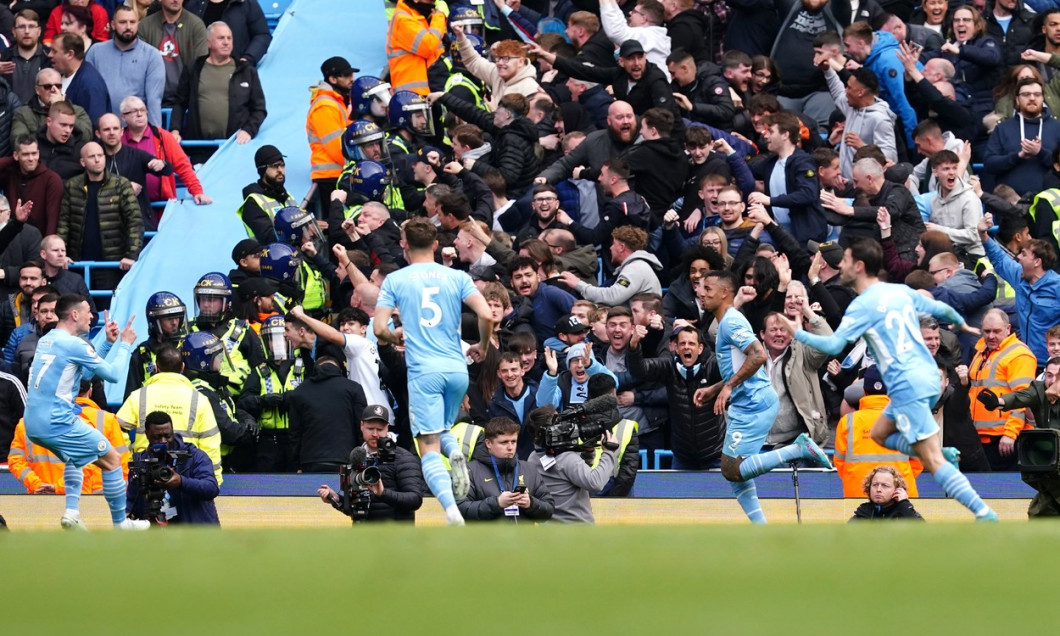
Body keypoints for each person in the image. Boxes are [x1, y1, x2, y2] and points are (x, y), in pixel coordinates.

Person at [787, 238, 998, 520]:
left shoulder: (862, 306)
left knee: (934, 462)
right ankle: (935, 453)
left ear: (859, 266)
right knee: (879, 434)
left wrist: (797, 332)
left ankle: (984, 513)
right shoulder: (898, 290)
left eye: (847, 260)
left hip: (908, 381)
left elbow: (834, 346)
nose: (842, 265)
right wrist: (962, 324)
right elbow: (939, 309)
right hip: (923, 376)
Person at [374, 218, 494, 526]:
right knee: (443, 430)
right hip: (456, 369)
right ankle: (454, 453)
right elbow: (485, 313)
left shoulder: (396, 280)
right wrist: (481, 343)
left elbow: (378, 329)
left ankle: (452, 512)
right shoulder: (456, 277)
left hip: (423, 370)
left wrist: (393, 336)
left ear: (404, 244)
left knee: (426, 445)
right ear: (436, 244)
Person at [695, 271, 832, 523]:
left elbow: (758, 355)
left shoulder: (731, 322)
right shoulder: (728, 320)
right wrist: (715, 388)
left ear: (725, 293)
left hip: (754, 403)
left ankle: (798, 449)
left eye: (707, 288)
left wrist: (728, 388)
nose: (701, 293)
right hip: (749, 401)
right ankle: (761, 528)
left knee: (731, 469)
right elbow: (739, 366)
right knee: (735, 474)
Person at [22, 294, 149, 530]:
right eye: (88, 311)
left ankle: (71, 513)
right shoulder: (74, 344)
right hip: (58, 421)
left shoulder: (47, 340)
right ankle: (121, 524)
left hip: (33, 422)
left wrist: (107, 344)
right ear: (74, 315)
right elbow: (113, 375)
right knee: (112, 460)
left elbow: (85, 377)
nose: (92, 316)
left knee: (75, 457)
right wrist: (124, 344)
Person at [118, 343, 223, 484]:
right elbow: (210, 445)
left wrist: (131, 462)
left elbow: (116, 430)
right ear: (183, 368)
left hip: (147, 474)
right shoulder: (199, 399)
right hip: (187, 477)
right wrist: (212, 481)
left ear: (156, 368)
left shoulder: (138, 396)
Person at [8, 379, 128, 495]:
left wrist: (36, 484)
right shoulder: (104, 421)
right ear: (90, 391)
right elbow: (119, 465)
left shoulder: (25, 423)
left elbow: (16, 461)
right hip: (88, 500)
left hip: (39, 500)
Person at [57, 141, 141, 303]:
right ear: (83, 162)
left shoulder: (121, 184)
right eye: (92, 156)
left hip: (111, 264)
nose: (97, 160)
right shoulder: (73, 185)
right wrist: (63, 254)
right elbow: (64, 222)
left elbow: (135, 221)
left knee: (106, 311)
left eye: (100, 156)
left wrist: (130, 255)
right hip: (77, 263)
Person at [977, 356, 1060, 516]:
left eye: (1058, 376)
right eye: (1049, 375)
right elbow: (1019, 397)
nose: (1052, 380)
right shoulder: (1038, 389)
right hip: (1049, 458)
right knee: (1042, 510)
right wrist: (999, 402)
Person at [316, 405, 426, 523]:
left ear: (387, 428)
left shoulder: (404, 458)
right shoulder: (356, 456)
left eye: (380, 429)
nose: (375, 434)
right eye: (370, 428)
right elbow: (355, 510)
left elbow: (415, 500)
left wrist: (383, 493)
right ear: (362, 426)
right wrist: (336, 499)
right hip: (362, 534)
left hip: (395, 534)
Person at [171, 21, 266, 152]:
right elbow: (180, 103)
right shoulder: (193, 68)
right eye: (221, 38)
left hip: (234, 148)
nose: (226, 42)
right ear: (208, 42)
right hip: (198, 148)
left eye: (229, 38)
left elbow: (259, 109)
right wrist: (175, 130)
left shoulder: (246, 71)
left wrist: (248, 130)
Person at [978, 212, 1060, 365]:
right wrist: (983, 235)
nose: (1019, 257)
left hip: (1053, 365)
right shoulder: (1019, 276)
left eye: (1024, 254)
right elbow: (999, 259)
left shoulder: (1057, 286)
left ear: (1037, 261)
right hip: (1026, 360)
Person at [834, 365, 923, 498]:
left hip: (857, 494)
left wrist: (859, 481)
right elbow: (918, 462)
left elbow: (840, 463)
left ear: (864, 391)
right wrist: (896, 481)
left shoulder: (848, 421)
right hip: (899, 495)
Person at [967, 309, 1036, 471]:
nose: (991, 336)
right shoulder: (982, 352)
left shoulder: (1018, 355)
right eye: (987, 331)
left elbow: (1023, 398)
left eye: (997, 331)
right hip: (982, 436)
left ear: (1008, 329)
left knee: (1004, 490)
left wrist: (1010, 434)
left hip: (1004, 438)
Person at [526, 404, 617, 523]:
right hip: (577, 529)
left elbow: (574, 476)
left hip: (550, 530)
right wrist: (609, 452)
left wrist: (588, 452)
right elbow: (596, 483)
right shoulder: (566, 459)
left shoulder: (533, 458)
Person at [126, 411, 220, 525]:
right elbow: (132, 502)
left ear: (173, 432)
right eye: (157, 437)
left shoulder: (194, 456)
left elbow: (211, 488)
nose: (163, 441)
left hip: (196, 531)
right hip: (160, 533)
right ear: (147, 434)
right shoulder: (141, 462)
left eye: (167, 436)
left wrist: (181, 482)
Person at [288, 342, 367, 473]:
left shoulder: (299, 391)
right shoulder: (353, 388)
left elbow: (294, 434)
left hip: (310, 461)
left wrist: (296, 465)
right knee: (341, 494)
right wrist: (360, 463)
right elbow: (361, 428)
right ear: (339, 367)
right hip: (346, 460)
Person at [457, 416, 554, 522]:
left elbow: (549, 508)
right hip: (487, 538)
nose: (510, 447)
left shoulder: (529, 469)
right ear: (488, 443)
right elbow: (461, 509)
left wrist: (530, 503)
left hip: (524, 537)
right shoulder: (470, 471)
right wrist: (496, 503)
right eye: (504, 442)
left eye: (513, 442)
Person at [120, 96, 211, 207]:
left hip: (161, 208)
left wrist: (197, 192)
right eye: (134, 111)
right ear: (123, 117)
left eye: (142, 110)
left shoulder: (163, 137)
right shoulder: (118, 140)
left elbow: (184, 167)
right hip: (127, 208)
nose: (139, 114)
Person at [189, 271, 265, 399]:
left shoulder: (242, 330)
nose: (206, 304)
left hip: (237, 400)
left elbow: (260, 369)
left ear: (226, 302)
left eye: (212, 300)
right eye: (202, 299)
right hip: (197, 399)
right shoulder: (188, 330)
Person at [84, 5, 164, 126]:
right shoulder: (95, 52)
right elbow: (87, 92)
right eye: (122, 22)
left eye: (132, 22)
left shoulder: (152, 55)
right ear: (112, 24)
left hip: (135, 130)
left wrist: (155, 136)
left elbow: (154, 101)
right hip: (101, 128)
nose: (128, 27)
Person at [95, 112, 174, 232]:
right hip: (106, 226)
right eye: (106, 129)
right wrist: (124, 187)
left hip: (138, 224)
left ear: (122, 132)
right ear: (98, 134)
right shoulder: (93, 158)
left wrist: (161, 164)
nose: (112, 133)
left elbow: (168, 170)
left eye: (115, 128)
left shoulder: (136, 155)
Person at [983, 78, 1060, 196]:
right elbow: (990, 164)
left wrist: (1040, 152)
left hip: (1050, 203)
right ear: (1017, 100)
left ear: (1042, 99)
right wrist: (1018, 156)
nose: (1032, 98)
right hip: (1009, 204)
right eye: (1026, 94)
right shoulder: (1002, 128)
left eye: (1037, 94)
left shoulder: (1057, 127)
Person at [559, 226, 662, 307]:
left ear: (621, 247)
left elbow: (612, 296)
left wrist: (579, 284)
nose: (610, 248)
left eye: (613, 244)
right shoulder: (635, 266)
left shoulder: (635, 268)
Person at [137, 0, 209, 107]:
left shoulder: (196, 25)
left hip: (186, 100)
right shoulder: (145, 26)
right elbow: (139, 67)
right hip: (152, 99)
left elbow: (201, 66)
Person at [307, 56, 356, 211]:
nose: (352, 79)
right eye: (346, 75)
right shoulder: (325, 106)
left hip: (336, 173)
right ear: (333, 79)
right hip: (331, 176)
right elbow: (336, 147)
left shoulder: (336, 102)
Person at [125, 290, 188, 399]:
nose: (174, 323)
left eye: (177, 317)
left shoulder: (188, 348)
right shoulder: (141, 354)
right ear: (154, 321)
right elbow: (130, 396)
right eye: (169, 318)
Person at [10, 68, 93, 145]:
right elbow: (18, 143)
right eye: (47, 86)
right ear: (37, 90)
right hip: (40, 159)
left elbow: (86, 137)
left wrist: (61, 108)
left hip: (69, 158)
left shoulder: (77, 111)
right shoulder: (23, 114)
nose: (53, 90)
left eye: (58, 86)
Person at [0, 136, 64, 236]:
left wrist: (46, 247)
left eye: (34, 153)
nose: (31, 159)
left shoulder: (52, 180)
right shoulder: (10, 174)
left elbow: (53, 219)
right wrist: (13, 160)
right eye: (25, 154)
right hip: (11, 240)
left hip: (38, 241)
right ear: (16, 155)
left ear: (38, 153)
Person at [183, 0, 272, 66]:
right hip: (199, 74)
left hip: (234, 74)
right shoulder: (192, 4)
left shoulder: (246, 3)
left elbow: (262, 35)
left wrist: (247, 59)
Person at [238, 144, 296, 244]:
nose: (280, 170)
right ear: (262, 169)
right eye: (274, 166)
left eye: (282, 165)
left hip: (295, 255)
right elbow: (268, 238)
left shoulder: (287, 196)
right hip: (271, 257)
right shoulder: (253, 201)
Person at [48, 32, 110, 126]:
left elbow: (94, 126)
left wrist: (61, 106)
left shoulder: (90, 84)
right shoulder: (60, 74)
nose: (49, 55)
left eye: (54, 51)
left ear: (70, 54)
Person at [386, 0, 446, 95]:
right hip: (411, 97)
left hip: (430, 93)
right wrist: (439, 17)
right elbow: (428, 46)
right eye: (430, 3)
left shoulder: (423, 17)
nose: (433, 6)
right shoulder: (403, 18)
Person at [0, 9, 51, 106]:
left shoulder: (50, 57)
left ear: (39, 31)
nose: (27, 31)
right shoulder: (4, 58)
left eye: (31, 26)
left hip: (41, 117)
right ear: (14, 32)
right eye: (22, 27)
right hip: (10, 117)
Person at [849, 466, 925, 520]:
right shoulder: (862, 514)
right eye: (875, 485)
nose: (878, 489)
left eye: (885, 486)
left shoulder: (905, 512)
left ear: (897, 490)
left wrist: (905, 505)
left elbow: (924, 535)